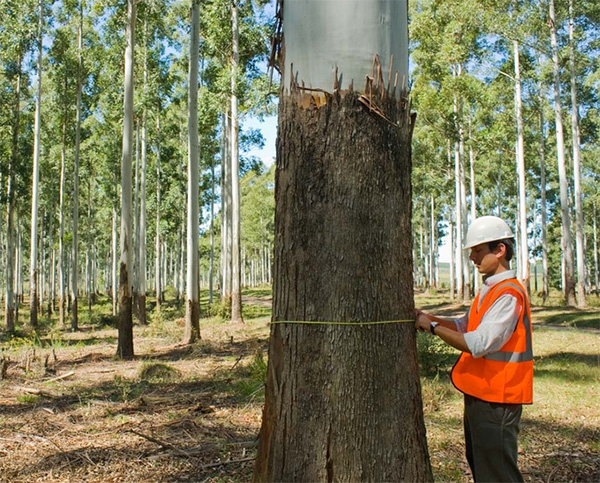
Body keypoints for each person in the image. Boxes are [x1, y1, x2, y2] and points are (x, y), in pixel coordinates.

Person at [415, 216, 533, 483]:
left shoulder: (508, 294)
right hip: (482, 395)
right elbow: (464, 326)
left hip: (498, 399)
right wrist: (430, 318)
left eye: (478, 251)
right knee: (483, 469)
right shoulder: (490, 290)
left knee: (498, 475)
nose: (472, 258)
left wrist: (432, 327)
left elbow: (478, 343)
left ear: (500, 250)